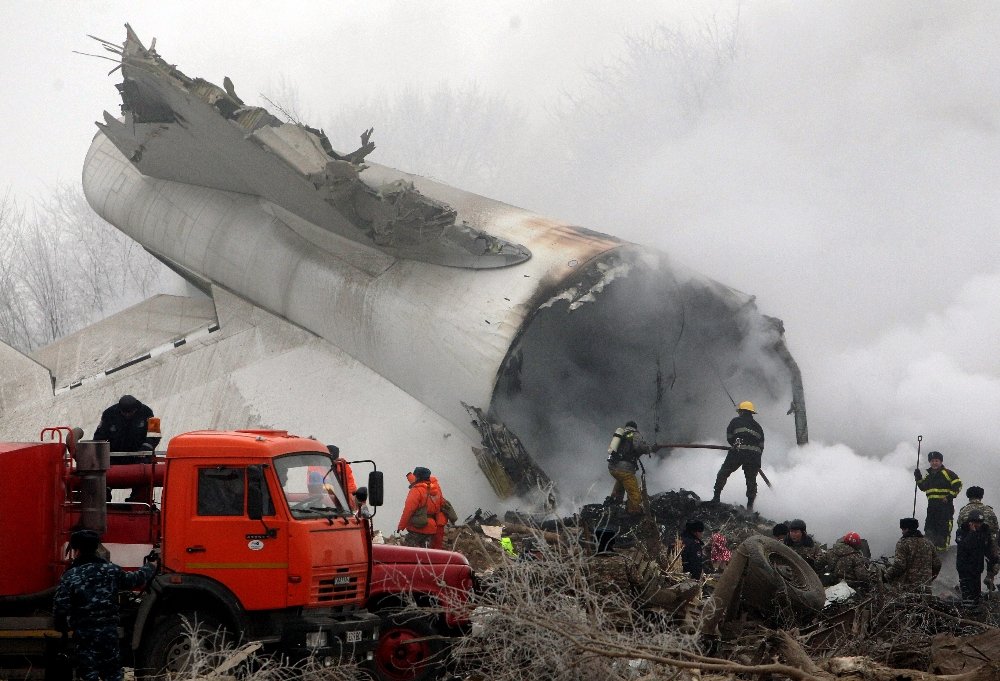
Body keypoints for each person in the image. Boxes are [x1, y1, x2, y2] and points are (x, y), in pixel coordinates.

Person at [53, 530, 158, 681]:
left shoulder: (71, 576)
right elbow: (136, 579)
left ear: (77, 551)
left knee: (88, 675)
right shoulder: (111, 570)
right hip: (109, 634)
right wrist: (151, 566)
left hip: (84, 636)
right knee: (113, 675)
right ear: (96, 548)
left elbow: (60, 607)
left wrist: (62, 630)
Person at [711, 401, 764, 510]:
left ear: (741, 411)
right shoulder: (758, 427)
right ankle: (750, 507)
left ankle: (716, 498)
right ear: (751, 413)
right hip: (754, 457)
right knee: (751, 481)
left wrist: (735, 445)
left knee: (724, 472)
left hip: (738, 452)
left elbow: (730, 437)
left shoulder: (735, 421)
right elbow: (761, 446)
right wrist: (755, 458)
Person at [606, 421, 661, 516]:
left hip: (613, 468)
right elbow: (641, 447)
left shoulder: (621, 434)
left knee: (621, 482)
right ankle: (633, 513)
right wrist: (652, 449)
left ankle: (614, 505)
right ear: (635, 427)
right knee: (635, 495)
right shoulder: (635, 434)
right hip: (625, 469)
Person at [914, 450, 962, 551]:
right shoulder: (929, 476)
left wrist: (949, 497)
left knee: (943, 531)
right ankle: (929, 554)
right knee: (929, 530)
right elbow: (923, 487)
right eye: (932, 461)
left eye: (936, 461)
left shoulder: (947, 473)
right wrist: (918, 477)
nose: (934, 463)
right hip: (931, 508)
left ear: (941, 462)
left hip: (945, 507)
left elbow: (958, 485)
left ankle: (942, 555)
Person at [955, 510, 999, 610]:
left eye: (980, 522)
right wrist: (972, 532)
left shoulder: (984, 531)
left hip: (977, 567)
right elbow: (965, 546)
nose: (978, 525)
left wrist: (994, 560)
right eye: (976, 522)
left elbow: (987, 548)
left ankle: (976, 610)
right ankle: (967, 612)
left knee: (976, 594)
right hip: (964, 568)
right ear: (970, 522)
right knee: (968, 596)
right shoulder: (961, 531)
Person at [884, 517, 941, 591]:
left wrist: (886, 576)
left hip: (907, 589)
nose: (902, 532)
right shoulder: (928, 543)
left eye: (903, 529)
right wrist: (930, 578)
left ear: (907, 529)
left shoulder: (903, 543)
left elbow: (899, 566)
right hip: (925, 589)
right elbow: (937, 564)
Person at [397, 467, 442, 548]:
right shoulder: (436, 489)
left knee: (408, 551)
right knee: (425, 554)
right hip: (432, 528)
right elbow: (441, 505)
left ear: (418, 477)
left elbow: (408, 510)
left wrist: (401, 526)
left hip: (418, 527)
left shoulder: (416, 490)